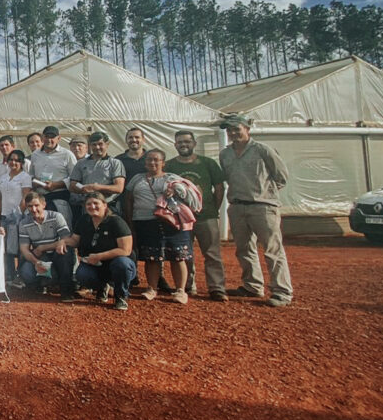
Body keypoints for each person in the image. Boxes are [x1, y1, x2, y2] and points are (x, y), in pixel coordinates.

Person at [219, 115, 294, 307]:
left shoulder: (262, 150)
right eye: (230, 130)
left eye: (237, 129)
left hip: (263, 207)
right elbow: (228, 177)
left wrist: (264, 193)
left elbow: (281, 177)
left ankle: (282, 291)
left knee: (272, 249)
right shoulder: (225, 154)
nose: (233, 133)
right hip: (237, 206)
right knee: (244, 249)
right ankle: (252, 285)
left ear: (247, 128)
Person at [123, 150, 196, 304]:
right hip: (145, 221)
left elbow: (190, 192)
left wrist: (175, 190)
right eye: (149, 160)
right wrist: (129, 220)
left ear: (163, 162)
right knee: (152, 257)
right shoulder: (137, 179)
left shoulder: (172, 178)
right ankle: (151, 288)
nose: (152, 163)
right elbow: (128, 199)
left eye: (156, 160)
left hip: (171, 222)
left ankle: (180, 290)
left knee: (178, 256)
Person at [167, 131, 227, 300]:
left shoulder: (207, 163)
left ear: (194, 143)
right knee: (185, 252)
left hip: (206, 216)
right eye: (179, 142)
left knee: (212, 253)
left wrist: (214, 208)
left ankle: (216, 287)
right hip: (182, 218)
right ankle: (187, 285)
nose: (183, 145)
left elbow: (219, 188)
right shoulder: (170, 166)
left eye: (187, 141)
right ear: (175, 145)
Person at [68, 192, 136, 311]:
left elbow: (126, 250)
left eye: (96, 203)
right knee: (82, 274)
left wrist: (99, 256)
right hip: (94, 264)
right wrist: (62, 243)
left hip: (117, 264)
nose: (92, 206)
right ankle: (102, 287)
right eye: (89, 204)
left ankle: (120, 296)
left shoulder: (116, 222)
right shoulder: (84, 220)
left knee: (122, 264)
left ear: (105, 205)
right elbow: (74, 240)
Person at [17, 193, 76, 299]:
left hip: (56, 254)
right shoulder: (23, 223)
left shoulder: (56, 216)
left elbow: (67, 240)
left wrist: (42, 247)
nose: (33, 209)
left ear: (43, 205)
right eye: (30, 206)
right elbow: (24, 249)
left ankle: (66, 289)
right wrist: (36, 262)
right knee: (27, 273)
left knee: (66, 253)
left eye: (36, 205)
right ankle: (42, 284)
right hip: (40, 257)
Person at [68, 132, 126, 232]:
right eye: (94, 144)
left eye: (100, 144)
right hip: (88, 208)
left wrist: (97, 187)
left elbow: (119, 188)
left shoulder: (115, 163)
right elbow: (72, 184)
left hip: (109, 207)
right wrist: (82, 188)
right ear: (90, 146)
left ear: (107, 145)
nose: (97, 147)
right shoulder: (81, 163)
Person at [28, 126, 77, 226]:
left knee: (61, 228)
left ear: (59, 138)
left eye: (52, 137)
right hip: (40, 200)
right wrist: (36, 181)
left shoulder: (67, 154)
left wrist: (57, 185)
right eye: (46, 137)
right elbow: (31, 175)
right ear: (42, 138)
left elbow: (75, 177)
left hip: (60, 198)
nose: (49, 140)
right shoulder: (35, 155)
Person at [0, 150, 33, 280]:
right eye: (11, 159)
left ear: (22, 163)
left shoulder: (25, 177)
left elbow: (25, 197)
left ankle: (21, 275)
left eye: (17, 160)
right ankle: (10, 275)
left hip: (19, 217)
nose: (13, 162)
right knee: (6, 248)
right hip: (4, 217)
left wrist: (18, 215)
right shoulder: (3, 177)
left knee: (18, 247)